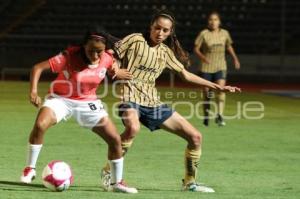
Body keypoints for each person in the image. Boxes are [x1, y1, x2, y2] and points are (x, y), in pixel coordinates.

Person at [100, 10, 240, 192]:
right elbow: (109, 54)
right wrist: (115, 70)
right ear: (151, 26)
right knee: (133, 128)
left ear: (170, 32)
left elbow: (186, 75)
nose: (160, 33)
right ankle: (109, 172)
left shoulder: (165, 52)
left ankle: (189, 183)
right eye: (157, 28)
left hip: (153, 103)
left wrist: (216, 86)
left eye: (165, 30)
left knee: (195, 137)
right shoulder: (135, 39)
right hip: (129, 96)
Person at [20, 26, 138, 193]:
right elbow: (37, 68)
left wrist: (117, 73)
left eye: (99, 51)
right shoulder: (68, 57)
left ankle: (116, 183)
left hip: (87, 103)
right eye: (91, 50)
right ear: (84, 46)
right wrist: (33, 91)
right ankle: (30, 169)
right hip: (60, 99)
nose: (95, 55)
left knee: (114, 139)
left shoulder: (106, 58)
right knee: (40, 125)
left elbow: (111, 67)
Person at [194, 11, 241, 126]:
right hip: (206, 68)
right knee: (207, 94)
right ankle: (206, 116)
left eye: (215, 19)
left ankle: (219, 116)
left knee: (221, 89)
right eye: (210, 19)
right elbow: (196, 48)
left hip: (221, 66)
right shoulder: (204, 33)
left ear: (219, 22)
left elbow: (229, 46)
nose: (213, 22)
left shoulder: (225, 33)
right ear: (208, 21)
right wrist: (203, 57)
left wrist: (235, 58)